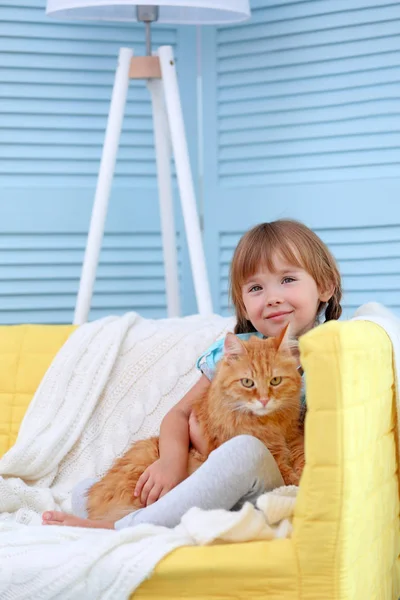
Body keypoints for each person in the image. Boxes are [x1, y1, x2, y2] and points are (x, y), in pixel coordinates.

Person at [42, 219, 342, 530]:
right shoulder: (232, 352)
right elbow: (180, 414)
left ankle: (121, 526)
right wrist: (170, 463)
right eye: (256, 288)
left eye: (288, 279)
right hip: (210, 467)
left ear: (325, 286)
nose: (272, 297)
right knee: (107, 483)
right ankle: (103, 503)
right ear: (242, 301)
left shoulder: (336, 351)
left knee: (242, 452)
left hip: (268, 473)